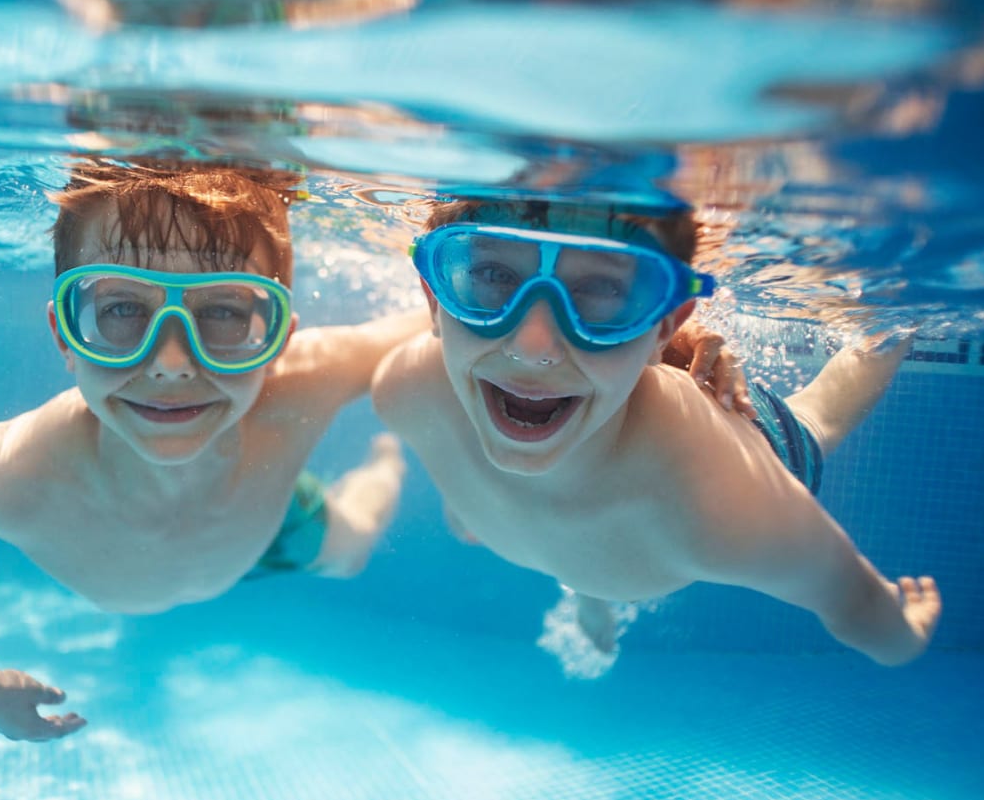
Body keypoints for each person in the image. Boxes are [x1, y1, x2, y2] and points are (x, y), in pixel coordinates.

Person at [0, 161, 422, 742]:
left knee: (351, 548)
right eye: (122, 311)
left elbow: (447, 324)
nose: (171, 362)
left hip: (270, 513)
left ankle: (385, 460)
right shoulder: (22, 470)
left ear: (277, 342)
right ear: (65, 334)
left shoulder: (304, 381)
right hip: (241, 521)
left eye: (224, 313)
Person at [371, 198, 941, 668]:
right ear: (432, 299)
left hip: (744, 444)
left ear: (665, 325)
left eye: (601, 291)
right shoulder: (409, 393)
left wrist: (901, 635)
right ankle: (591, 594)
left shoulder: (714, 499)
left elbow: (853, 605)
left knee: (825, 411)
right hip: (597, 545)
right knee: (575, 536)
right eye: (493, 276)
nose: (532, 347)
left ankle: (894, 319)